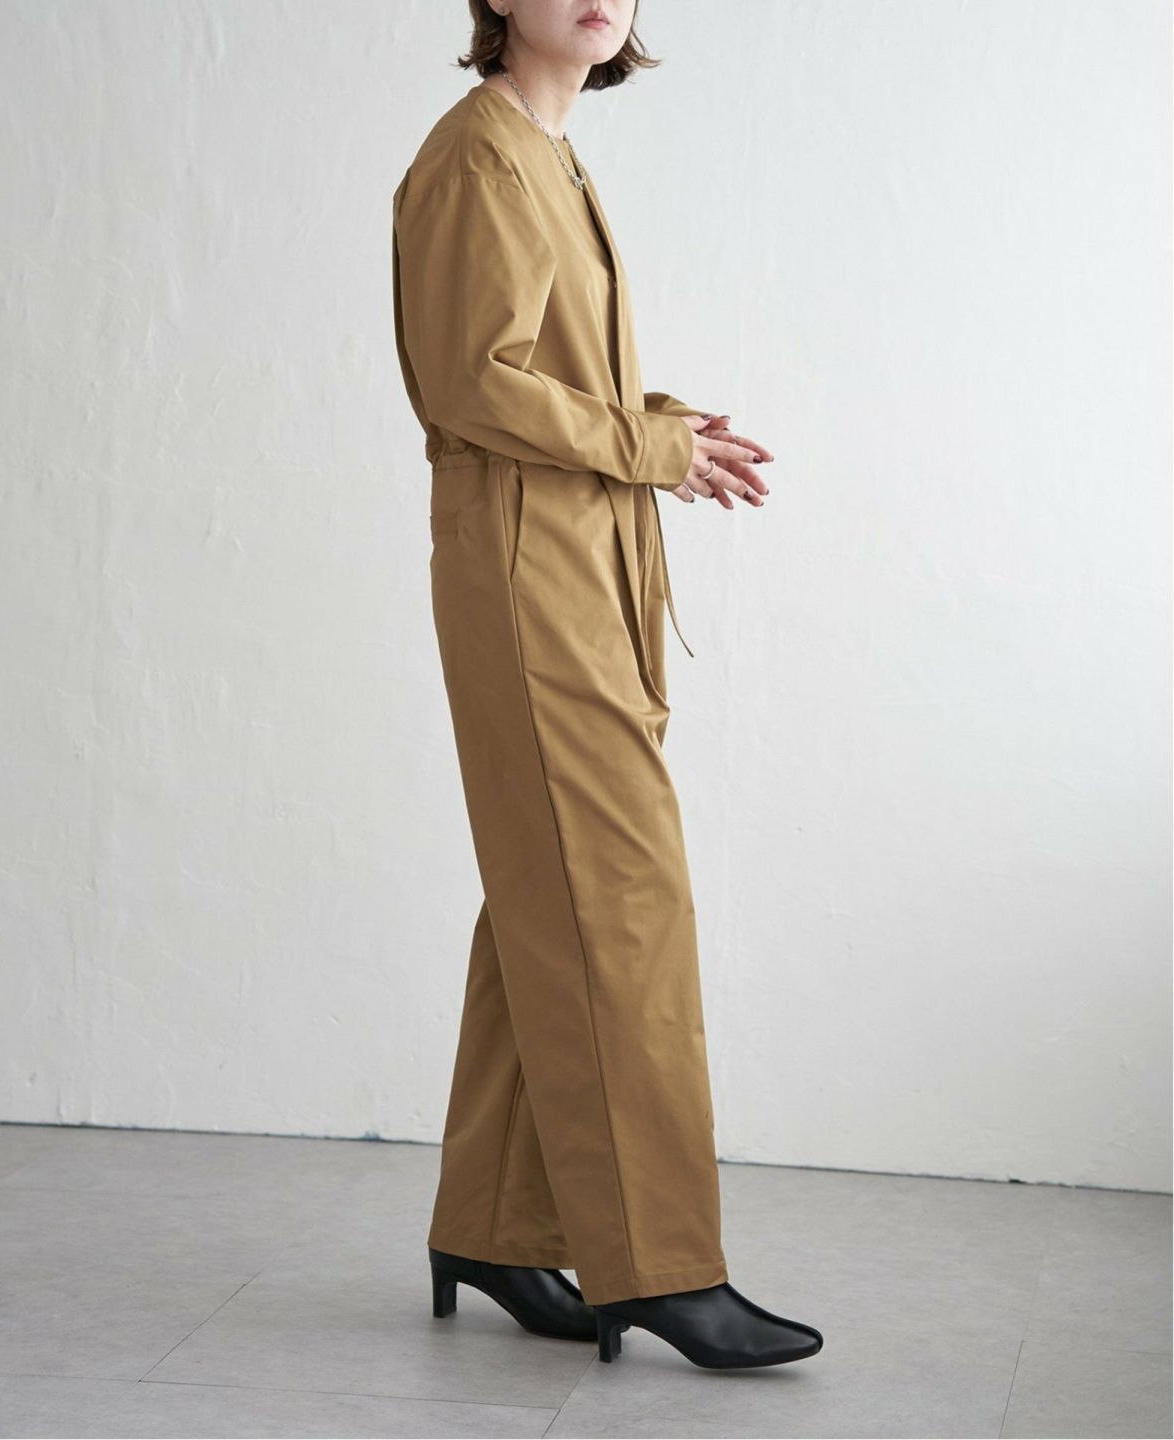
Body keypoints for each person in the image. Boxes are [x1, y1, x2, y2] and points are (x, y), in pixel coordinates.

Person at [390, 0, 823, 1370]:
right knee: (619, 898)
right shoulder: (478, 156)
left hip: (575, 561)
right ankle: (663, 1267)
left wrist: (659, 424)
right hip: (529, 573)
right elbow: (472, 384)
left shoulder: (549, 152)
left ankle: (494, 1224)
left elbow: (546, 380)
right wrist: (651, 447)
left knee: (553, 890)